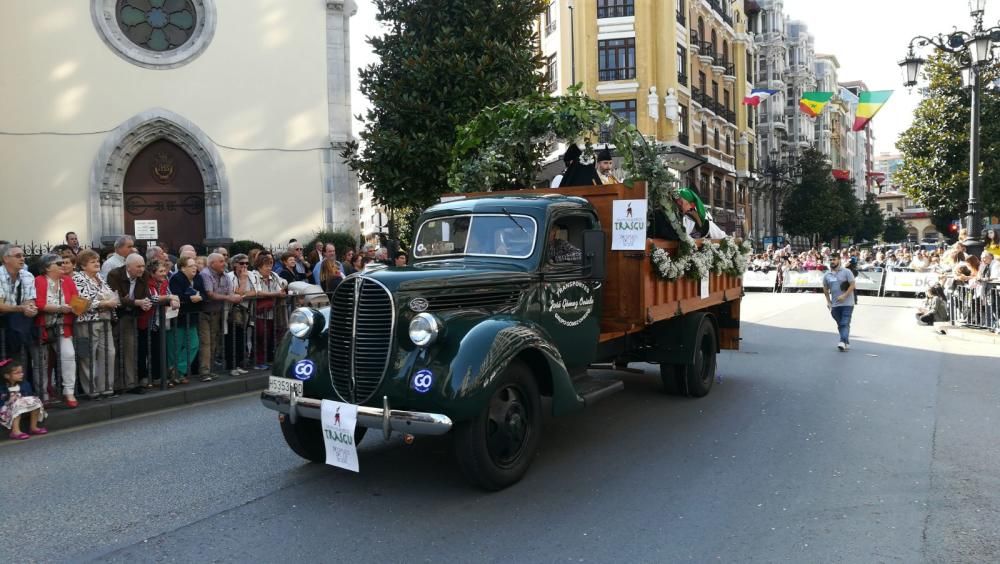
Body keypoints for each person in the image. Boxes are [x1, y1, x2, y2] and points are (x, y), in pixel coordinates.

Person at [33, 254, 79, 407]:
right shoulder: (39, 281)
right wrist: (60, 308)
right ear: (47, 267)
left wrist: (79, 306)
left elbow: (76, 299)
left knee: (69, 356)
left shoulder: (68, 280)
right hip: (43, 326)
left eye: (64, 263)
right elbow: (38, 303)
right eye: (58, 263)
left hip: (63, 326)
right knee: (42, 362)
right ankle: (43, 394)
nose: (63, 266)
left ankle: (69, 392)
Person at [71, 250, 118, 399]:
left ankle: (106, 388)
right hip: (86, 322)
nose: (97, 263)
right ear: (83, 265)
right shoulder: (78, 278)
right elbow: (79, 302)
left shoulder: (100, 277)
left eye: (98, 260)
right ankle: (91, 390)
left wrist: (111, 302)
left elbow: (111, 296)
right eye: (93, 261)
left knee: (109, 353)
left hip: (105, 320)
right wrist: (104, 303)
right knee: (87, 356)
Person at [107, 254, 153, 394]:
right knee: (114, 351)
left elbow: (144, 294)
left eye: (143, 266)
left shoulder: (144, 275)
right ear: (128, 267)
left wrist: (141, 303)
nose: (142, 269)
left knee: (130, 349)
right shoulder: (114, 274)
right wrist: (134, 302)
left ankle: (131, 383)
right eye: (138, 266)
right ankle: (115, 385)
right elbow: (116, 298)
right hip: (115, 317)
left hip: (131, 316)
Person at [198, 253, 240, 381]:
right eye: (221, 261)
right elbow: (210, 294)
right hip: (204, 313)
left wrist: (233, 296)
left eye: (224, 261)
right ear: (212, 264)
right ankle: (204, 371)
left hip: (217, 312)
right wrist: (229, 297)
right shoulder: (205, 274)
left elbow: (230, 291)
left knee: (214, 341)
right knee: (206, 342)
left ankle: (209, 370)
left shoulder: (226, 275)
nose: (224, 263)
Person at [138, 259, 179, 387]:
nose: (164, 273)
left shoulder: (165, 282)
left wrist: (172, 300)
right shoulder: (147, 283)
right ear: (152, 273)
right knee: (142, 351)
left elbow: (171, 295)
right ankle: (143, 378)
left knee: (158, 350)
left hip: (158, 322)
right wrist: (169, 298)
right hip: (145, 322)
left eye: (165, 271)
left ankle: (158, 377)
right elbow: (152, 298)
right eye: (161, 271)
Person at [168, 256, 204, 384]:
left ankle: (177, 370)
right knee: (175, 347)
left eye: (195, 265)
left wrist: (199, 298)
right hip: (179, 317)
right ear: (183, 267)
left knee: (194, 344)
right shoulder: (176, 278)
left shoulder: (198, 277)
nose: (195, 268)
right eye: (191, 266)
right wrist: (191, 299)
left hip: (192, 317)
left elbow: (203, 293)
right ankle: (175, 374)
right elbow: (177, 296)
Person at [0, 244, 39, 360]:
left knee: (17, 364)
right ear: (6, 259)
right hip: (2, 325)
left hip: (16, 330)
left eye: (23, 256)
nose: (22, 258)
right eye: (18, 256)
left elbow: (30, 301)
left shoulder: (27, 275)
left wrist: (30, 309)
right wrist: (22, 308)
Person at [249, 253, 287, 370]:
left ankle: (265, 360)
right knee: (260, 337)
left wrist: (276, 293)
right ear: (259, 266)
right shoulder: (254, 275)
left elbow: (282, 288)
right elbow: (258, 292)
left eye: (271, 264)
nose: (269, 268)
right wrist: (275, 295)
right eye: (266, 265)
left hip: (272, 313)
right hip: (258, 313)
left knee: (269, 337)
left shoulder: (274, 275)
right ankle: (257, 361)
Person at [1, 359, 47, 440]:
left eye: (21, 372)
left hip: (21, 407)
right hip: (6, 410)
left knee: (35, 400)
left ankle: (33, 427)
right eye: (17, 373)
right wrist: (9, 399)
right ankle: (15, 431)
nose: (21, 374)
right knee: (16, 403)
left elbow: (29, 395)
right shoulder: (2, 387)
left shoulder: (24, 384)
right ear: (7, 376)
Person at [225, 254, 255, 376]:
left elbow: (255, 291)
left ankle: (239, 364)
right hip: (232, 311)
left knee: (241, 338)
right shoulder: (229, 276)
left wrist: (242, 293)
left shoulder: (251, 275)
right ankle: (231, 366)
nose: (245, 266)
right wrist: (242, 281)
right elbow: (235, 294)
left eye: (247, 263)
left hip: (246, 310)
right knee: (232, 338)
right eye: (242, 263)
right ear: (235, 264)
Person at [822, 254, 856, 352]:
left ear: (839, 260)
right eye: (830, 259)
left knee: (844, 323)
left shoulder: (847, 272)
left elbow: (853, 284)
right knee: (841, 324)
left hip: (848, 303)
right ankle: (846, 342)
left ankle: (842, 341)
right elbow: (825, 288)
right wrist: (828, 302)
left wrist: (844, 295)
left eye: (834, 259)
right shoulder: (827, 275)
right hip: (835, 305)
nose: (832, 261)